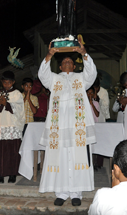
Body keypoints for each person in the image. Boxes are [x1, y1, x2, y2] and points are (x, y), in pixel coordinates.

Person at [38, 41, 96, 206]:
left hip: (78, 125)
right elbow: (43, 75)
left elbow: (91, 73)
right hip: (59, 125)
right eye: (64, 62)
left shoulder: (81, 79)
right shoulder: (54, 79)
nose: (67, 63)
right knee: (61, 157)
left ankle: (76, 193)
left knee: (78, 156)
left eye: (70, 62)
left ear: (75, 66)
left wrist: (84, 53)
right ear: (61, 67)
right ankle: (61, 192)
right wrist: (49, 55)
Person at [0, 70, 25, 183]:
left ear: (13, 82)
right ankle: (0, 174)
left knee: (12, 152)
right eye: (4, 82)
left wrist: (7, 104)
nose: (7, 85)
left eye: (9, 83)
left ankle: (12, 174)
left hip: (12, 126)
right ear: (2, 82)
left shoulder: (17, 94)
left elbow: (19, 109)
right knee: (0, 152)